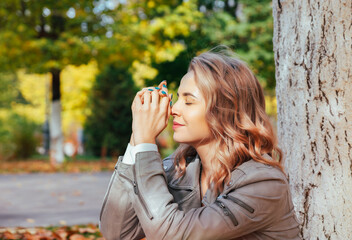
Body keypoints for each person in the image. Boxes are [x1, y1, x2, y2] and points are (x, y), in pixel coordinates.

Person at [99, 47, 301, 240]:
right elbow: (117, 231)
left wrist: (145, 143)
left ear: (225, 110)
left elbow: (171, 235)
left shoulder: (263, 184)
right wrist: (137, 140)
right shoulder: (181, 168)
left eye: (188, 101)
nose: (174, 110)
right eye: (178, 98)